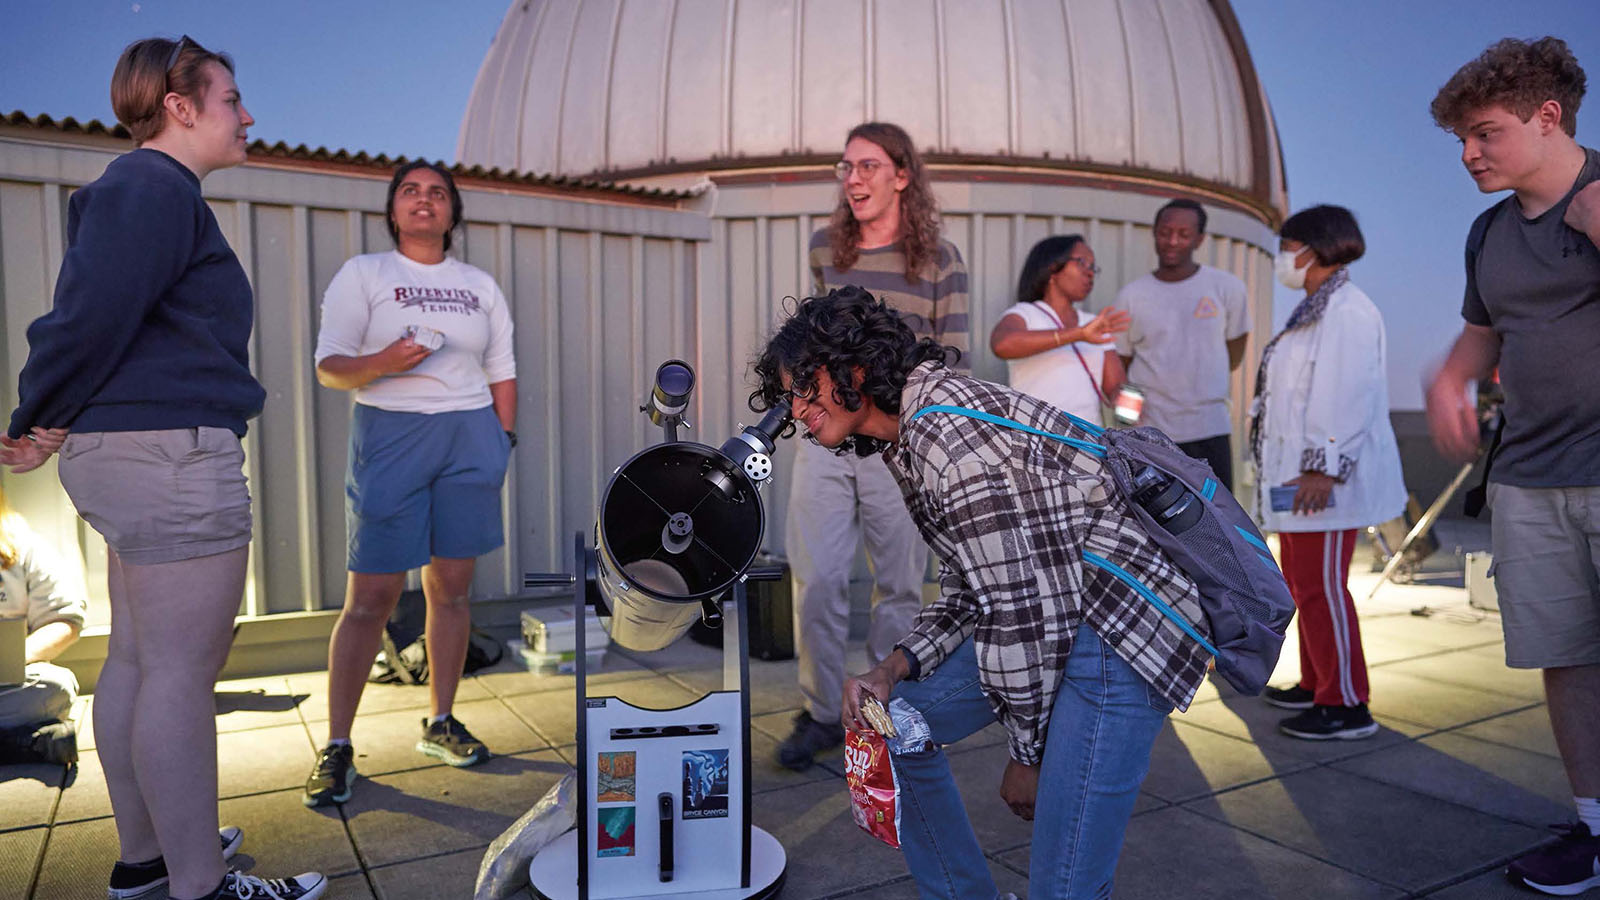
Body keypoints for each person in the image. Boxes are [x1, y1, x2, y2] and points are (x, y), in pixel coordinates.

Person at [0, 36, 325, 900]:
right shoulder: (149, 186)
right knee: (180, 676)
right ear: (179, 107)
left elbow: (107, 319)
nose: (246, 114)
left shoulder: (147, 193)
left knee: (143, 665)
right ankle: (200, 887)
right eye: (230, 98)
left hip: (138, 457)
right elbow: (85, 317)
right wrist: (36, 415)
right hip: (169, 457)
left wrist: (52, 414)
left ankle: (151, 861)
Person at [752, 286, 1210, 899]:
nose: (797, 410)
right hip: (1064, 610)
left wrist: (1028, 754)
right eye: (788, 398)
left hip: (1123, 631)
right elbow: (976, 586)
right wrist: (892, 668)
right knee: (895, 721)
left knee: (1064, 887)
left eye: (804, 389)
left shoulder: (947, 436)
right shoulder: (909, 436)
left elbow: (1024, 609)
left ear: (853, 371)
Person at [1425, 36, 1600, 896]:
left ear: (1547, 116)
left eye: (1485, 134)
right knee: (1566, 657)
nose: (1469, 155)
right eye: (1460, 140)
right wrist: (1452, 375)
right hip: (1530, 475)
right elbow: (1484, 329)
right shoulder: (1488, 232)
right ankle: (1594, 829)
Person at [303, 160, 517, 808]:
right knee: (370, 596)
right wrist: (383, 361)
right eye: (410, 192)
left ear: (453, 212)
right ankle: (338, 746)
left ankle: (441, 722)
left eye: (437, 193)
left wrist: (500, 441)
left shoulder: (479, 285)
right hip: (391, 433)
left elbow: (502, 367)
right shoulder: (365, 275)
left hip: (469, 433)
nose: (424, 201)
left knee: (450, 589)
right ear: (393, 210)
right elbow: (329, 368)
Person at [779, 122, 970, 771]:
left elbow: (956, 359)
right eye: (846, 168)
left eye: (866, 166)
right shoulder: (824, 247)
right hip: (828, 437)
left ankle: (886, 709)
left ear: (901, 176)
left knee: (899, 584)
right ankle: (824, 713)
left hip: (898, 442)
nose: (852, 179)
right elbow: (815, 338)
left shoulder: (940, 260)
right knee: (820, 578)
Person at [1249, 205, 1405, 741]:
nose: (1283, 258)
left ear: (1313, 249)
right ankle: (1317, 681)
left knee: (1322, 587)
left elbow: (1345, 397)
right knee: (1300, 584)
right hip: (1299, 481)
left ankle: (1347, 703)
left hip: (1322, 483)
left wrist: (1324, 470)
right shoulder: (1315, 308)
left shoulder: (1347, 312)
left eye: (1287, 245)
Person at [1112, 199, 1251, 487]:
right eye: (1165, 232)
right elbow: (1121, 366)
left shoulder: (1226, 288)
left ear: (1199, 239)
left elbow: (1234, 354)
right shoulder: (1132, 295)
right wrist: (1128, 426)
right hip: (1153, 434)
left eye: (1184, 234)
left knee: (1218, 519)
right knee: (1155, 521)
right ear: (1154, 233)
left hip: (1209, 429)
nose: (1172, 241)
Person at [989, 235, 1128, 422]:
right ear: (1053, 267)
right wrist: (1079, 334)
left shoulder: (1094, 323)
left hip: (1086, 441)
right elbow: (1002, 345)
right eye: (1082, 263)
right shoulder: (1025, 314)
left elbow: (1115, 386)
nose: (1090, 273)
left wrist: (1126, 401)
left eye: (1093, 267)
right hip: (1035, 438)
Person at [0, 483, 87, 766]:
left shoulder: (22, 545)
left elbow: (63, 620)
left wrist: (13, 659)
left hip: (6, 686)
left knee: (56, 687)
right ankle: (21, 746)